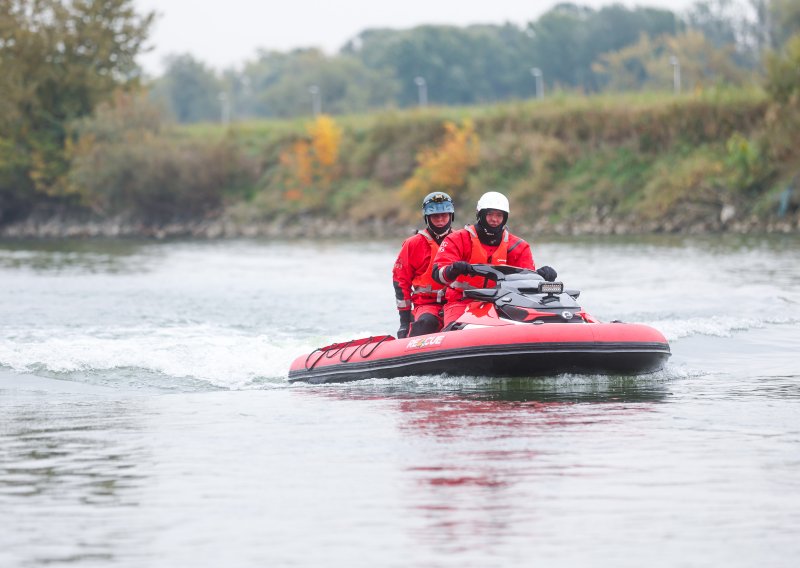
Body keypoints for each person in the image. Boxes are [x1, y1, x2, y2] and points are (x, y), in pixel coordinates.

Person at [431, 191, 557, 328]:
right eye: (490, 214)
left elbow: (526, 283)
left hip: (502, 304)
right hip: (461, 302)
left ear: (505, 217)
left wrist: (540, 276)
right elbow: (438, 274)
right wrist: (453, 269)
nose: (494, 219)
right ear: (481, 215)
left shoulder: (518, 246)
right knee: (454, 331)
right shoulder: (458, 239)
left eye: (499, 215)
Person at [392, 192, 456, 338]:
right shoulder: (413, 244)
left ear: (451, 216)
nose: (440, 220)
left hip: (457, 302)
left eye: (444, 215)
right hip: (427, 305)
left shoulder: (462, 239)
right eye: (435, 216)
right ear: (427, 217)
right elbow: (401, 282)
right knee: (426, 323)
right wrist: (404, 322)